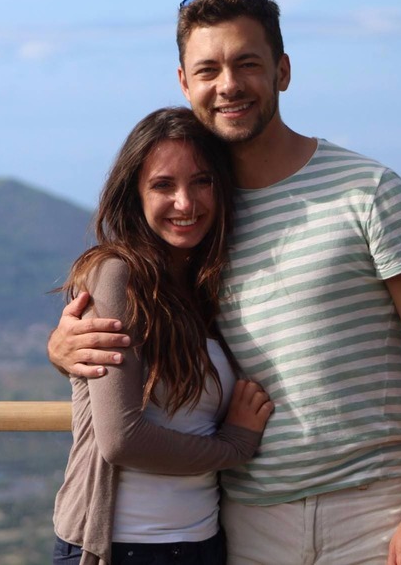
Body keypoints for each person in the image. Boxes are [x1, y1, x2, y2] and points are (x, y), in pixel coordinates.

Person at [49, 0, 401, 565]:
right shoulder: (202, 219)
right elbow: (145, 324)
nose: (228, 84)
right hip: (244, 521)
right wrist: (65, 349)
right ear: (185, 84)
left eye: (247, 63)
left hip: (371, 513)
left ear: (283, 71)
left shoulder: (368, 191)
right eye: (209, 69)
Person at [52, 108, 273, 565]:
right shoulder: (117, 276)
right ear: (134, 194)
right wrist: (233, 447)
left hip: (204, 543)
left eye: (201, 182)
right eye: (163, 185)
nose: (185, 203)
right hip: (121, 548)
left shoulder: (206, 287)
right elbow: (122, 440)